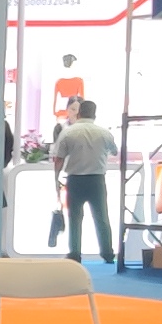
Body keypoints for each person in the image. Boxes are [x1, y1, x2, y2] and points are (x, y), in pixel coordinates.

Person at [48, 98, 114, 264]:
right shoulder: (104, 133)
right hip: (97, 180)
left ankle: (75, 253)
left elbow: (59, 159)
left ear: (79, 114)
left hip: (75, 180)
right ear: (94, 115)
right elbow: (114, 151)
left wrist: (56, 179)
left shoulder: (68, 133)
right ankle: (107, 253)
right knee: (102, 217)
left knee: (75, 218)